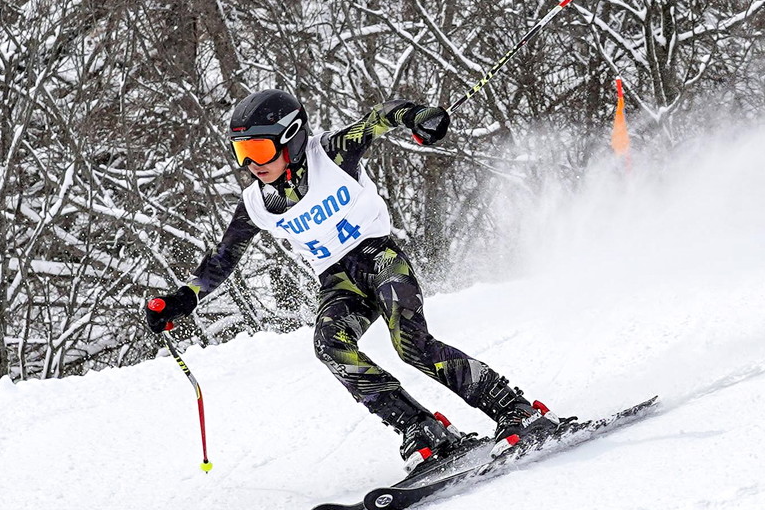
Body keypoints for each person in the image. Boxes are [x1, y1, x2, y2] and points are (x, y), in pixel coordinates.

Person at [145, 88, 556, 473]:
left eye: (258, 148)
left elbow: (380, 116)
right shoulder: (257, 202)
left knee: (411, 345)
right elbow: (222, 258)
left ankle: (516, 410)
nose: (251, 164)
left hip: (379, 258)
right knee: (330, 345)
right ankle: (422, 428)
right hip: (338, 279)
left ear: (290, 138)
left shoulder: (332, 154)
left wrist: (419, 117)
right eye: (241, 152)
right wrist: (185, 298)